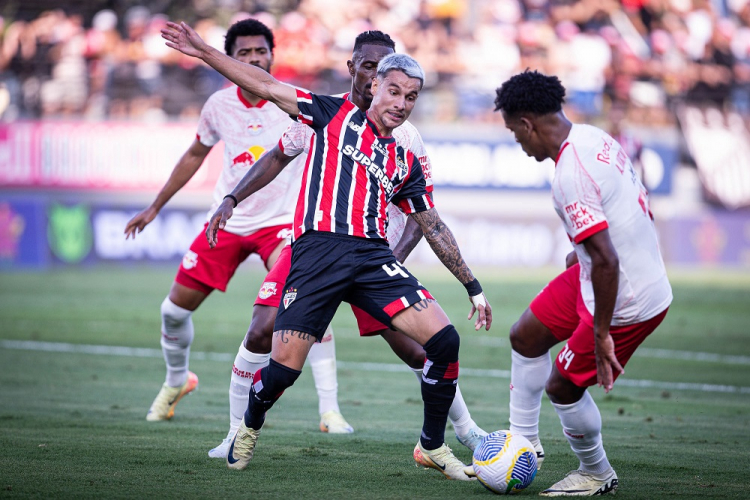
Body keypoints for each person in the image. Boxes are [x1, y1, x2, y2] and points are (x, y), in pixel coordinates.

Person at [161, 20, 492, 481]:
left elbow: (430, 223)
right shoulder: (326, 112)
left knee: (442, 341)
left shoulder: (407, 154)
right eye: (391, 89)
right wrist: (203, 52)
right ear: (368, 80)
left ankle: (433, 445)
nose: (400, 103)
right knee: (282, 371)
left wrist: (473, 287)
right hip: (315, 254)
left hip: (375, 257)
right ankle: (247, 426)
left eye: (410, 96)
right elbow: (266, 86)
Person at [124, 19, 351, 434]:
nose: (253, 59)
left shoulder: (295, 103)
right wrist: (155, 206)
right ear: (230, 59)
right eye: (243, 54)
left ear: (272, 55)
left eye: (259, 52)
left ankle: (330, 410)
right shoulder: (218, 106)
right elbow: (194, 155)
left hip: (283, 223)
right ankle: (178, 381)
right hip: (228, 219)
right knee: (173, 311)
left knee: (307, 302)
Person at [494, 70, 672, 496]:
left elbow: (609, 260)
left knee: (563, 385)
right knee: (526, 336)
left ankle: (596, 472)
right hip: (602, 273)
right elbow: (624, 215)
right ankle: (525, 445)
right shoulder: (593, 137)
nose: (519, 144)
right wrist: (582, 253)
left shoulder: (570, 173)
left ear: (527, 124)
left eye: (515, 135)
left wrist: (600, 331)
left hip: (626, 296)